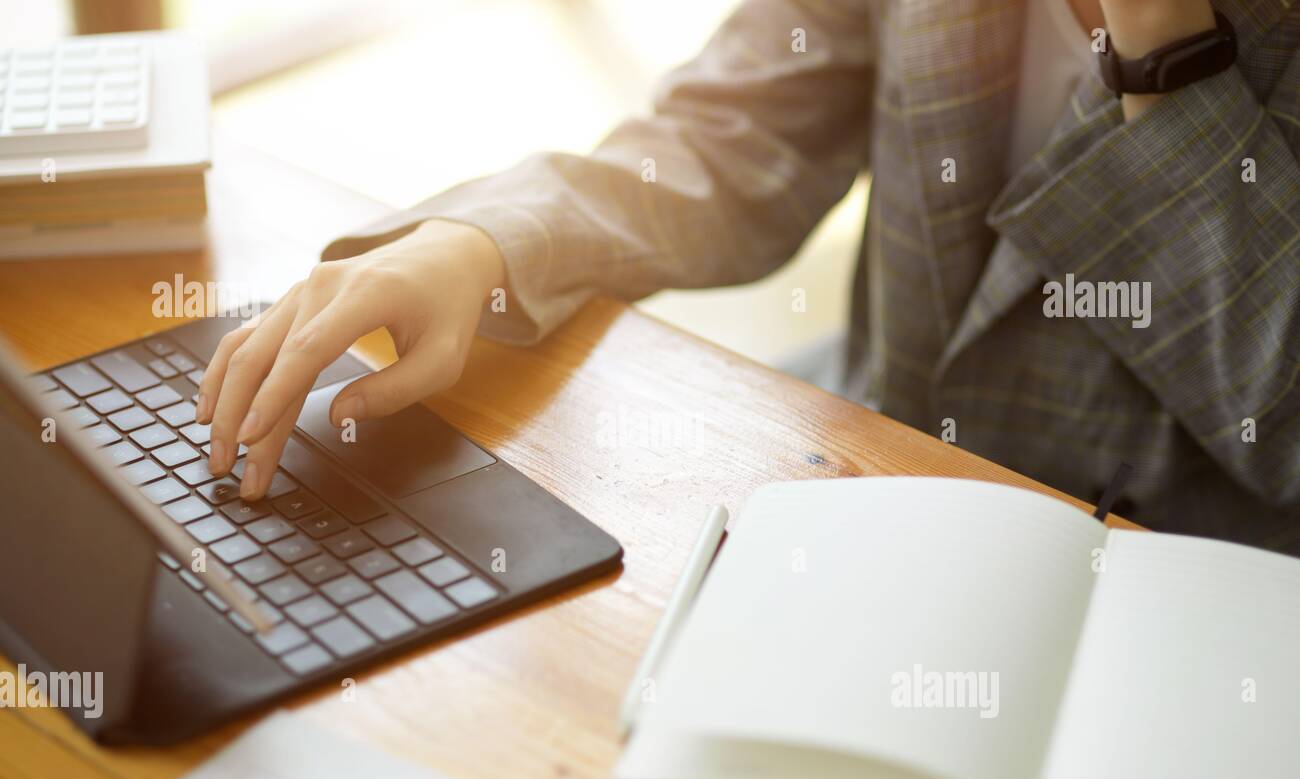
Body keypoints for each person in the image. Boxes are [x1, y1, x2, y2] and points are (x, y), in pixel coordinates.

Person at [195, 0, 1300, 554]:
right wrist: (480, 244)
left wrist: (1166, 54)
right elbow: (736, 137)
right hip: (888, 494)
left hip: (1205, 591)